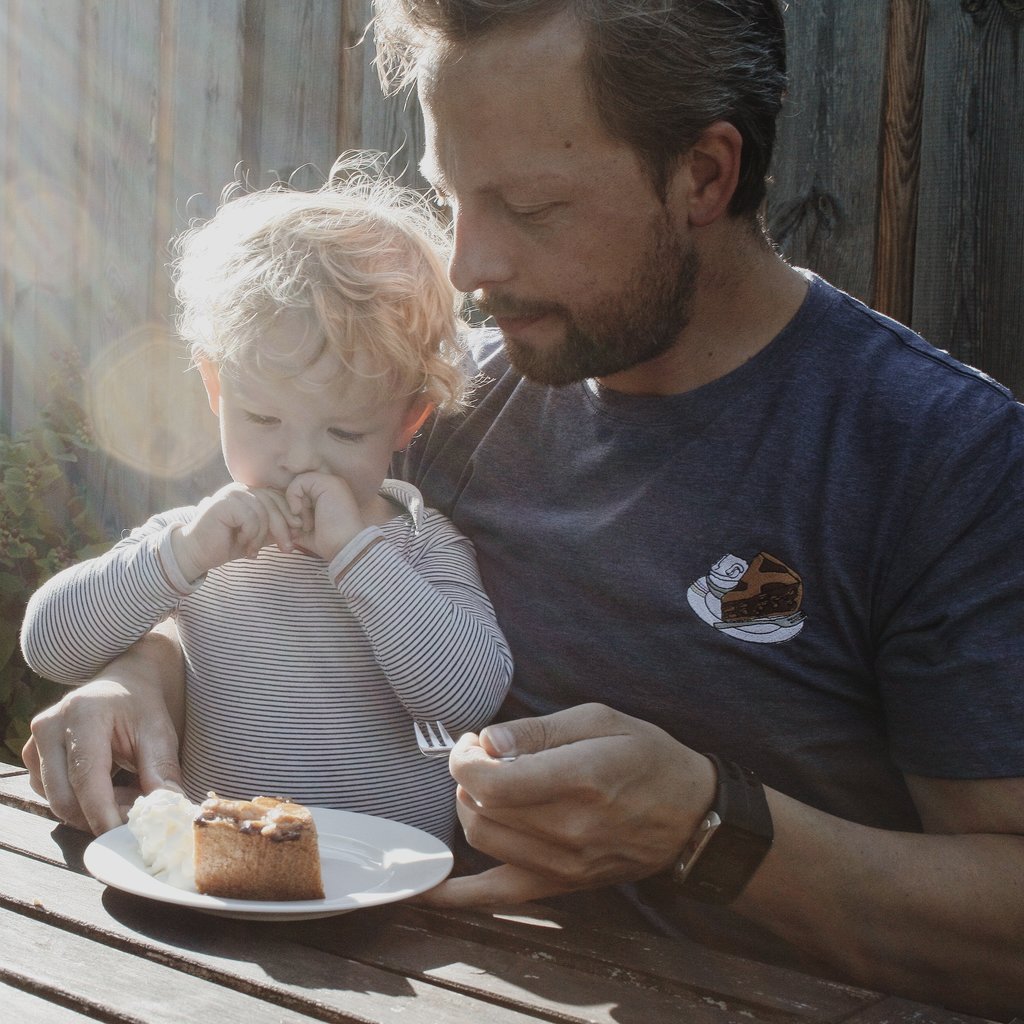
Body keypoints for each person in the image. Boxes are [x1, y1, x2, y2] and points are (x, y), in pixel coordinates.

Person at [22, 1, 1024, 1017]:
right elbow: (289, 583)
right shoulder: (451, 409)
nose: (467, 268)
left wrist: (707, 832)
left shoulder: (940, 459)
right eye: (449, 198)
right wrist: (148, 662)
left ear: (704, 177)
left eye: (530, 207)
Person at [20, 159, 512, 844]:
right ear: (217, 389)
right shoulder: (202, 541)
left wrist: (356, 554)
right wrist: (182, 553)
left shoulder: (419, 545)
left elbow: (469, 697)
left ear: (409, 420)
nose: (298, 458)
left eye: (344, 430)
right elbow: (48, 645)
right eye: (261, 418)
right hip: (225, 876)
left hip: (398, 898)